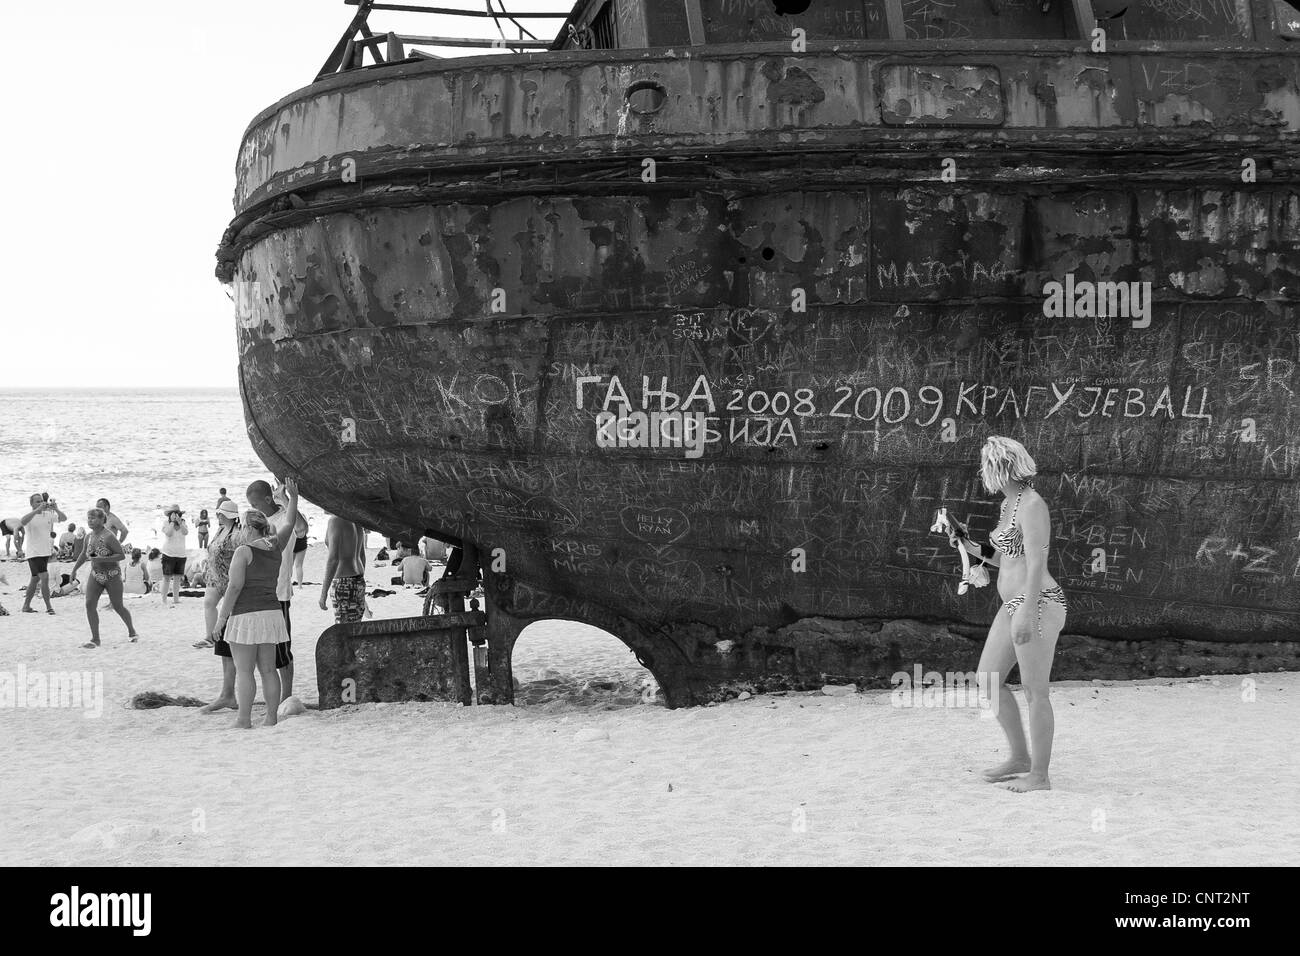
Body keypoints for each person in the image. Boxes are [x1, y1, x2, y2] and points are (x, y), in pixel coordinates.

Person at [948, 436, 1068, 794]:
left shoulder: (1032, 505)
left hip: (1038, 602)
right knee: (987, 678)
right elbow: (1006, 557)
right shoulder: (1008, 505)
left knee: (1036, 691)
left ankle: (1040, 776)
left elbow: (1036, 563)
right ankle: (1019, 757)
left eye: (988, 467)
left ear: (999, 467)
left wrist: (1027, 612)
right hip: (1013, 603)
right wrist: (970, 546)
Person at [212, 477, 300, 728]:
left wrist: (221, 617)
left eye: (242, 527)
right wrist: (293, 498)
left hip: (245, 616)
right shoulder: (275, 546)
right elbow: (291, 521)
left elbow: (235, 587)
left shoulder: (244, 552)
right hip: (272, 614)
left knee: (245, 671)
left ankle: (243, 719)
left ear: (249, 528)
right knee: (269, 670)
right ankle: (271, 718)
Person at [246, 479, 297, 701]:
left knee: (282, 649)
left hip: (279, 594)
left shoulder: (281, 521)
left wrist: (291, 498)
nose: (255, 510)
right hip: (260, 594)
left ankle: (287, 696)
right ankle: (274, 696)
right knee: (264, 649)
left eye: (256, 505)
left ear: (267, 499)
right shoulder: (262, 524)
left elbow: (296, 523)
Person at [196, 498, 242, 713]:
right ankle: (228, 694)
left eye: (220, 513)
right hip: (216, 579)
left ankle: (228, 694)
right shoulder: (220, 530)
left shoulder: (237, 533)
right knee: (223, 641)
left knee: (229, 644)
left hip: (231, 585)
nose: (217, 516)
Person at [70, 507, 139, 648]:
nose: (90, 520)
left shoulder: (109, 536)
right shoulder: (88, 537)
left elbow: (121, 555)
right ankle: (95, 639)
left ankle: (132, 631)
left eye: (93, 518)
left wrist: (102, 559)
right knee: (89, 604)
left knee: (118, 606)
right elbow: (84, 554)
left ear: (102, 520)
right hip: (95, 575)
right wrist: (74, 569)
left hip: (112, 575)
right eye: (88, 518)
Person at [19, 494, 66, 614]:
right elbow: (22, 521)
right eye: (37, 502)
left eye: (41, 501)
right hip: (34, 553)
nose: (40, 503)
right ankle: (49, 607)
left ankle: (26, 606)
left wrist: (56, 509)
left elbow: (63, 518)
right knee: (44, 577)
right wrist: (37, 510)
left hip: (45, 552)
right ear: (32, 504)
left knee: (35, 579)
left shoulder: (48, 514)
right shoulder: (30, 516)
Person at [320, 516, 368, 623]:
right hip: (359, 580)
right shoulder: (357, 521)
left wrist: (324, 593)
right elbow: (362, 556)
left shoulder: (335, 520)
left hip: (343, 583)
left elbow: (333, 559)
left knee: (344, 631)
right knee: (355, 628)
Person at [159, 504, 189, 606]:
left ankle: (176, 599)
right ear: (170, 515)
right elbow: (168, 533)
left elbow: (185, 532)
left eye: (177, 513)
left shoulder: (183, 522)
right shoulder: (166, 523)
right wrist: (172, 522)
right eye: (174, 514)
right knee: (166, 578)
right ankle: (164, 600)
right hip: (168, 554)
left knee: (177, 578)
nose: (176, 515)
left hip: (181, 554)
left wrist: (180, 523)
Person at [291, 514, 309, 587]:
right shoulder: (303, 516)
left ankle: (288, 583)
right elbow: (306, 531)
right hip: (302, 542)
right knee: (299, 566)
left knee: (290, 565)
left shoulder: (290, 517)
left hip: (293, 543)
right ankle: (300, 585)